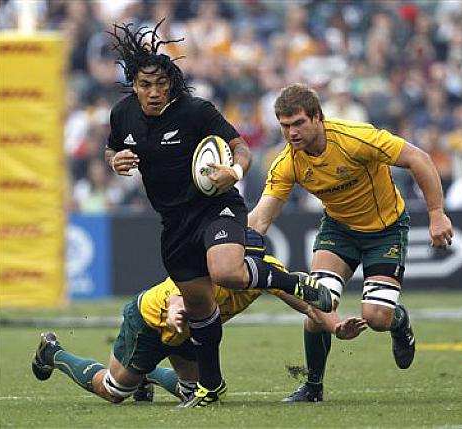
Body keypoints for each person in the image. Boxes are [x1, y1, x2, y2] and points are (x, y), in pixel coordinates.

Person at [104, 22, 332, 407]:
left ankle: (291, 282)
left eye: (161, 84)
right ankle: (210, 387)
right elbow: (111, 149)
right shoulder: (122, 114)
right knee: (200, 309)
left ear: (171, 84)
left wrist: (235, 172)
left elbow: (241, 148)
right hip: (174, 224)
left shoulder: (196, 111)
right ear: (135, 85)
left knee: (227, 272)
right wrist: (115, 161)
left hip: (216, 206)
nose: (154, 92)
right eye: (146, 85)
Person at [248, 83, 453, 402]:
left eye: (298, 123)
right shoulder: (287, 162)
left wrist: (437, 213)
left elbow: (419, 158)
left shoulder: (355, 138)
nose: (291, 133)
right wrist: (230, 244)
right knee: (317, 305)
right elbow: (260, 219)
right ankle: (313, 387)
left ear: (317, 117)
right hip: (339, 231)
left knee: (376, 318)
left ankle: (399, 321)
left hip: (386, 229)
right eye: (285, 126)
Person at [31, 230, 366, 405]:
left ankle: (147, 375)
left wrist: (336, 326)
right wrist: (176, 314)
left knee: (196, 395)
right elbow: (177, 298)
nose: (242, 270)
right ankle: (53, 353)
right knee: (114, 391)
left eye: (250, 263)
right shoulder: (207, 271)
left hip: (191, 333)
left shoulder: (267, 273)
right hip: (150, 322)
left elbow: (309, 306)